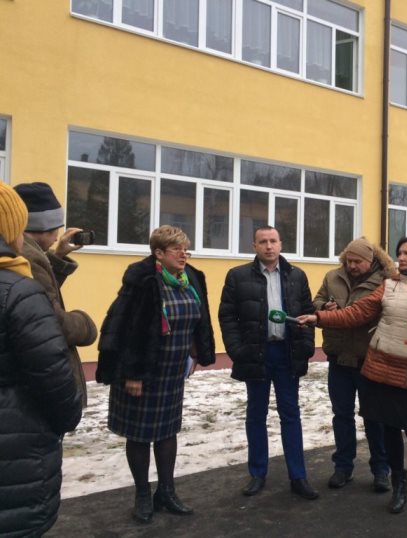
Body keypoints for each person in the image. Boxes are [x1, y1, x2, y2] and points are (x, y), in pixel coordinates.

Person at [298, 236, 407, 516]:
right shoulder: (389, 285)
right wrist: (319, 318)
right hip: (380, 369)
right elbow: (356, 313)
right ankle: (399, 487)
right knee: (389, 431)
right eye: (399, 253)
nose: (400, 257)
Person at [96, 225, 216, 524]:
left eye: (186, 249)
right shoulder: (144, 280)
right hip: (142, 371)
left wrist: (196, 351)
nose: (183, 255)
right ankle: (142, 495)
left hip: (172, 374)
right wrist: (133, 374)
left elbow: (199, 319)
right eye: (177, 250)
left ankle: (166, 492)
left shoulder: (191, 279)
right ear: (158, 253)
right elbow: (129, 327)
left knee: (167, 432)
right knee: (139, 435)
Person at [0, 182, 83, 536]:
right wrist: (85, 325)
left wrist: (58, 258)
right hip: (18, 441)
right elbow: (50, 369)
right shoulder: (17, 282)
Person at [218, 226, 318, 500]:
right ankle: (257, 473)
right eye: (262, 241)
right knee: (256, 414)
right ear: (254, 246)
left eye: (273, 241)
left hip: (287, 354)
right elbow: (227, 316)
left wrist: (306, 345)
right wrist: (237, 350)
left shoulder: (296, 275)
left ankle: (298, 476)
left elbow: (308, 312)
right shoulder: (237, 276)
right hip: (256, 354)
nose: (268, 246)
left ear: (281, 244)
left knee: (290, 414)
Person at [313, 237, 393, 492]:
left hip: (369, 359)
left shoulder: (385, 281)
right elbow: (316, 302)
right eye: (349, 260)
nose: (352, 265)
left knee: (374, 417)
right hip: (339, 358)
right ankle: (343, 468)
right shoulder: (332, 277)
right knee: (342, 416)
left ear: (371, 261)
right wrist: (324, 306)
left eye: (357, 261)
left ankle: (381, 470)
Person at [14, 181, 98, 407]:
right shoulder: (29, 257)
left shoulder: (24, 251)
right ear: (43, 227)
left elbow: (34, 296)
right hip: (40, 380)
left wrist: (57, 257)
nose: (56, 238)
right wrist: (86, 325)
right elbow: (50, 321)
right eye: (56, 229)